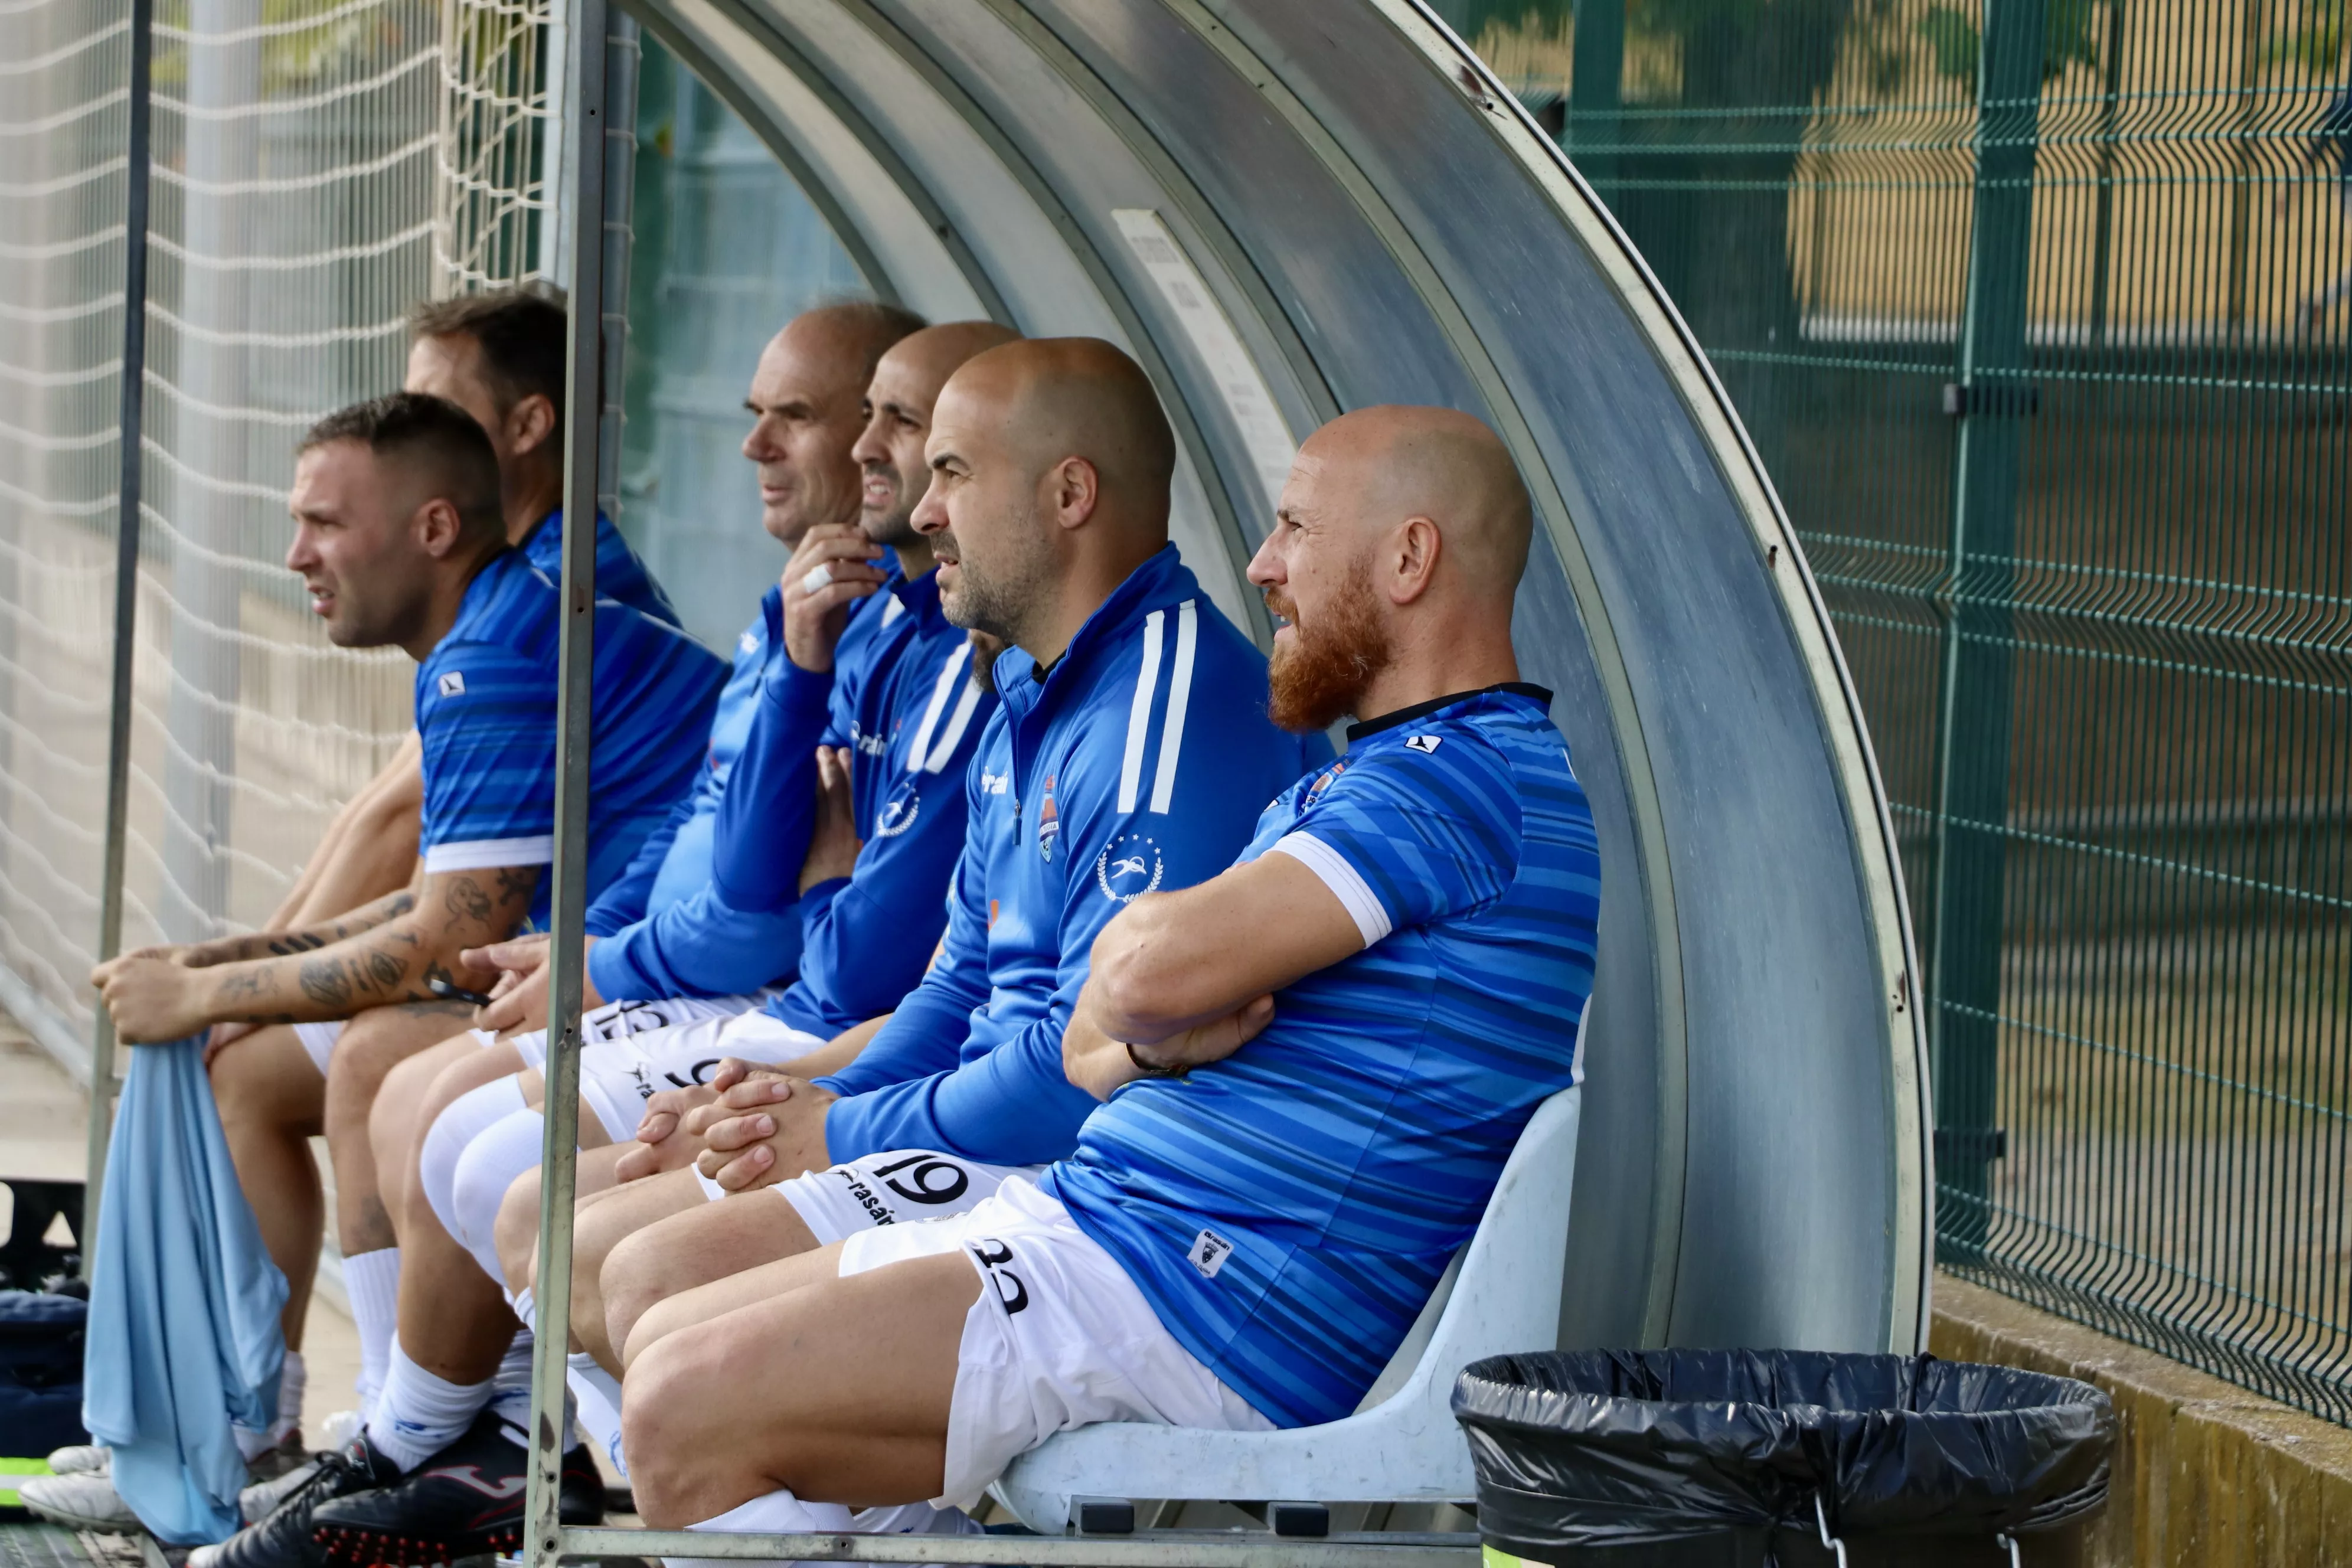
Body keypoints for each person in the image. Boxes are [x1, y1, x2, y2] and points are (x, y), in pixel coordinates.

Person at [612, 404, 1601, 1546]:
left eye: (1293, 529)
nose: (1262, 565)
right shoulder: (1378, 776)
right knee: (668, 1343)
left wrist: (1144, 1002)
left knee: (685, 1406)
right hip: (1112, 1237)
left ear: (1410, 557)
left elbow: (1137, 967)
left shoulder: (1455, 777)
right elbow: (1104, 1034)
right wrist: (1142, 1021)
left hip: (1203, 1302)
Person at [226, 322, 1019, 1567]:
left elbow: (819, 937)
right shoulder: (823, 614)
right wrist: (793, 744)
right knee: (427, 1105)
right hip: (779, 991)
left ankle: (490, 1456)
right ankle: (440, 1439)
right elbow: (746, 865)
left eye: (884, 425)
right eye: (842, 417)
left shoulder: (954, 651)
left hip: (816, 1014)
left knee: (490, 1157)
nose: (831, 447)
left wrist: (631, 958)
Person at [531, 337, 1327, 1465]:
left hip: (1077, 1169)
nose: (924, 510)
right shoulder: (1029, 686)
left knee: (647, 1279)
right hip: (993, 1130)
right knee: (594, 1249)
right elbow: (959, 985)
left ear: (1068, 494)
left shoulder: (1165, 707)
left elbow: (1081, 1068)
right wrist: (802, 1098)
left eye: (950, 471)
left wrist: (838, 1124)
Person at [87, 393, 727, 1566]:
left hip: (699, 985)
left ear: (433, 526)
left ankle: (410, 1443)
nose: (296, 556)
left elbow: (441, 939)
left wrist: (216, 991)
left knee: (386, 1058)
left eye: (324, 523)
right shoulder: (481, 630)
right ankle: (356, 1431)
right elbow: (438, 906)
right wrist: (223, 966)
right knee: (339, 1058)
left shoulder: (494, 649)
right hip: (609, 967)